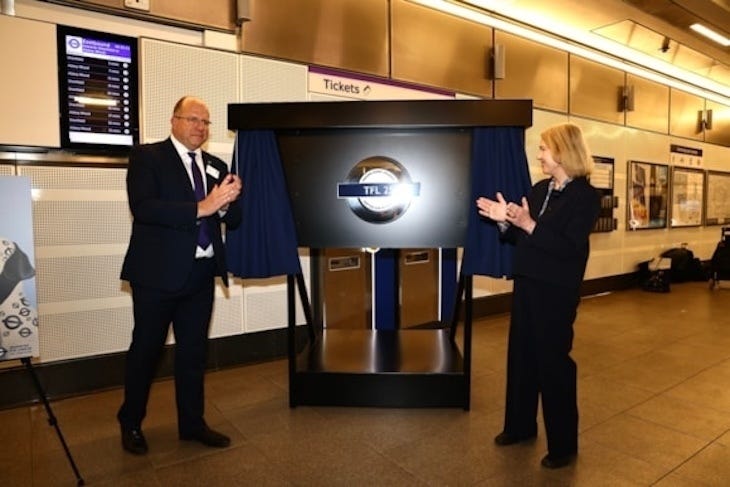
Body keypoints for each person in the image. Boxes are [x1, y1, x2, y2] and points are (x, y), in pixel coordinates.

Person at [117, 96, 243, 455]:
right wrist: (202, 207)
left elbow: (233, 220)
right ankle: (130, 423)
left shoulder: (217, 166)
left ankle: (192, 424)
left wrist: (228, 204)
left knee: (193, 353)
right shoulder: (148, 157)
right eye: (192, 119)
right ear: (174, 121)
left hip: (201, 273)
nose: (200, 127)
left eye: (205, 122)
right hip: (156, 275)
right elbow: (143, 208)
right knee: (146, 351)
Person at [476, 122, 599, 469]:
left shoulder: (586, 198)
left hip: (557, 291)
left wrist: (528, 225)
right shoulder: (539, 189)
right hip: (528, 282)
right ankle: (519, 426)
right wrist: (506, 221)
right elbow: (521, 238)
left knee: (553, 363)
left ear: (562, 152)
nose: (540, 154)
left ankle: (563, 445)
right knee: (522, 357)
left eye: (544, 148)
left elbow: (568, 247)